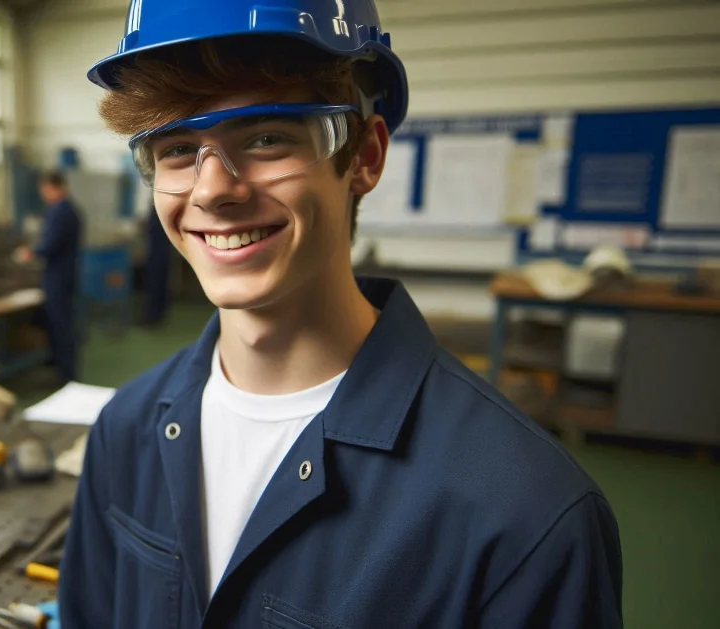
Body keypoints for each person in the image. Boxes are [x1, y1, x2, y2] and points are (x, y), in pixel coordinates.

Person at [58, 2, 623, 628]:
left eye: (266, 137)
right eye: (177, 148)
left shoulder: (524, 513)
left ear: (365, 157)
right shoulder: (125, 431)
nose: (214, 190)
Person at [17, 172, 83, 383]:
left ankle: (65, 375)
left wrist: (30, 253)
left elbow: (49, 245)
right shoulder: (69, 210)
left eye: (44, 190)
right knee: (60, 322)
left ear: (53, 187)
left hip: (58, 276)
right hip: (64, 273)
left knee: (60, 325)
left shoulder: (60, 212)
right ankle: (60, 367)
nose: (43, 195)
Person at [142, 202, 172, 326]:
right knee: (160, 267)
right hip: (158, 212)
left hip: (157, 212)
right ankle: (158, 310)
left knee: (157, 269)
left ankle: (154, 312)